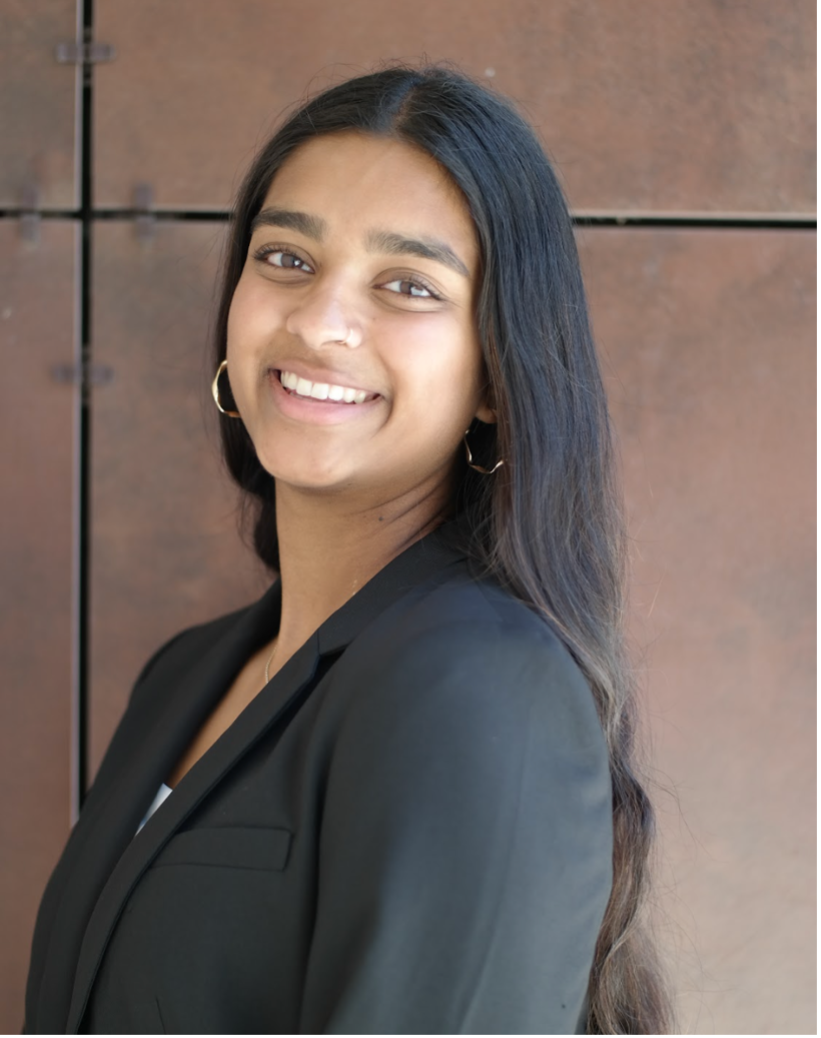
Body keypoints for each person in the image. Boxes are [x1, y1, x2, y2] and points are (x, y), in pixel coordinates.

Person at [23, 65, 670, 1035]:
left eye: (406, 285)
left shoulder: (483, 685)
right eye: (285, 259)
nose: (319, 323)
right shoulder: (186, 674)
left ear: (496, 375)